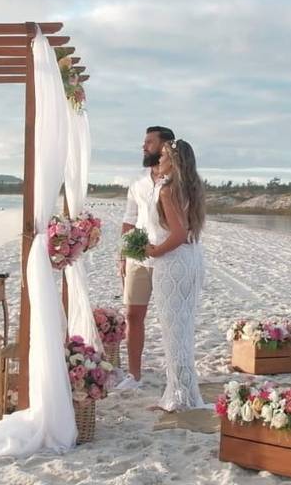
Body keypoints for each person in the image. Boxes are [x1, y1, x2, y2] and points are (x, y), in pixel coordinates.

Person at [144, 138, 206, 411]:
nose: (159, 159)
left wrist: (155, 250)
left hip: (173, 263)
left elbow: (178, 234)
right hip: (192, 260)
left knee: (173, 329)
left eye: (164, 156)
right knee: (183, 327)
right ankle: (183, 391)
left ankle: (179, 397)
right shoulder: (190, 187)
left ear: (174, 161)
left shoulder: (168, 190)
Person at [115, 125, 174, 390]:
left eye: (149, 142)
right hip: (138, 258)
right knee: (132, 314)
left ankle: (175, 371)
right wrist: (122, 256)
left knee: (170, 318)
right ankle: (134, 375)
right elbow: (129, 220)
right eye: (144, 142)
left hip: (169, 256)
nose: (144, 146)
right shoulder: (138, 181)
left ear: (165, 146)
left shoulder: (177, 180)